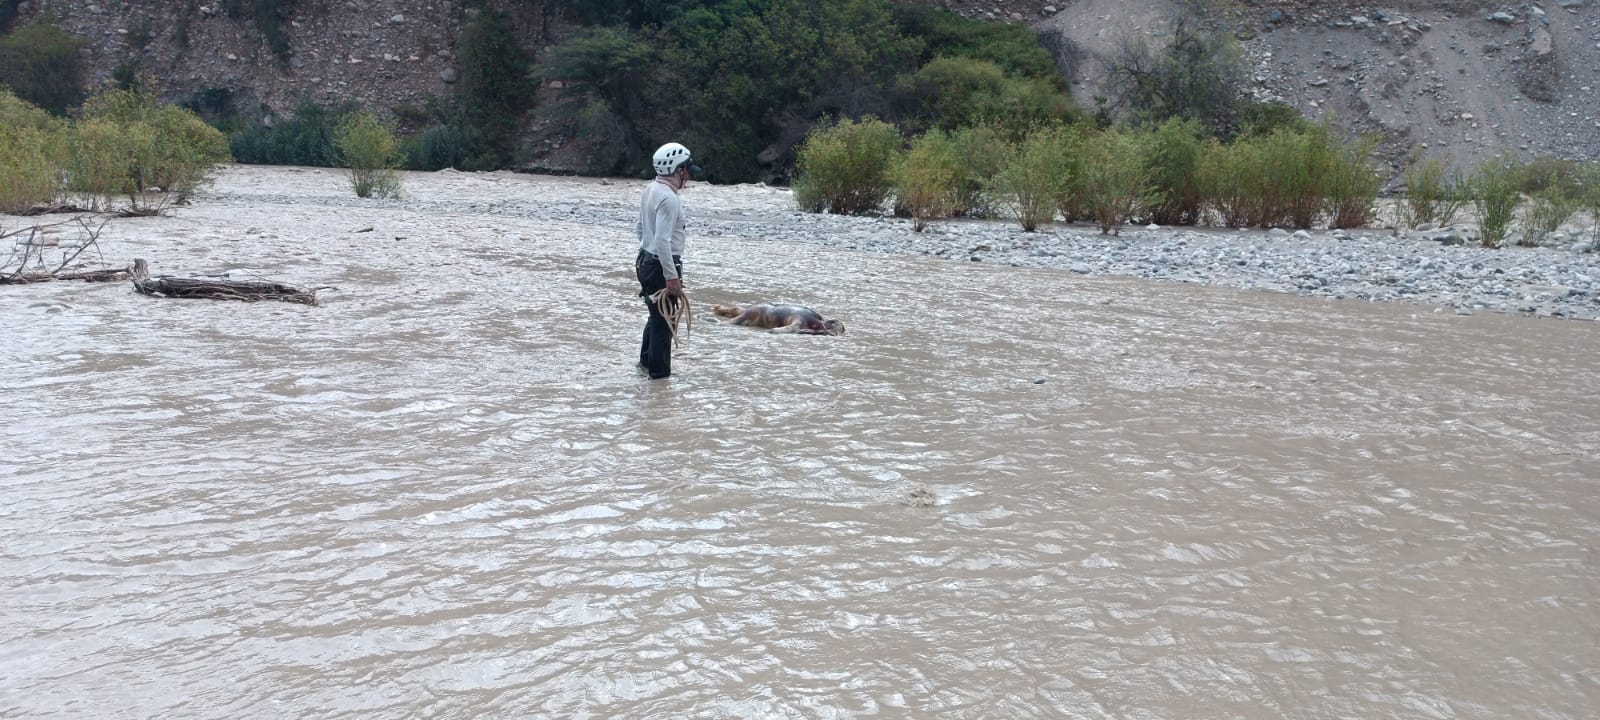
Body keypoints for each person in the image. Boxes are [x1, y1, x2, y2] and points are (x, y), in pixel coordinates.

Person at [636, 142, 700, 379]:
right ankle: (659, 379)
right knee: (665, 323)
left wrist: (647, 257)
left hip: (645, 260)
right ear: (678, 170)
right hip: (661, 265)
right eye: (687, 169)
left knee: (655, 317)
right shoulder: (669, 198)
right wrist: (672, 277)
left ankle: (644, 365)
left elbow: (640, 228)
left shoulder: (650, 189)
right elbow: (663, 241)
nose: (689, 175)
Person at [712, 303, 846, 335]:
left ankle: (724, 310)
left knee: (745, 312)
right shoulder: (801, 322)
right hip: (763, 313)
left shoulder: (816, 317)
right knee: (727, 324)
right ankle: (712, 320)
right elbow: (776, 331)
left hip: (767, 308)